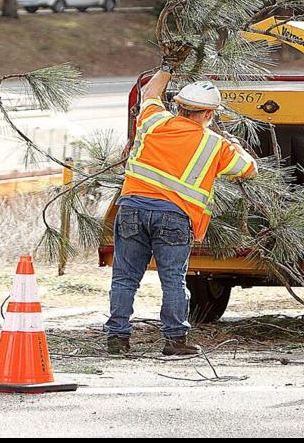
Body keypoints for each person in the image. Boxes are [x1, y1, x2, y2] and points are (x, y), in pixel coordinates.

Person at [105, 67, 257, 356]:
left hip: (132, 209)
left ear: (178, 106)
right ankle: (175, 341)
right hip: (173, 217)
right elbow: (250, 170)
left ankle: (117, 339)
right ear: (210, 114)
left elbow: (150, 93)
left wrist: (167, 68)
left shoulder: (154, 122)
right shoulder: (215, 145)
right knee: (173, 279)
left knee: (124, 278)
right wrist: (238, 146)